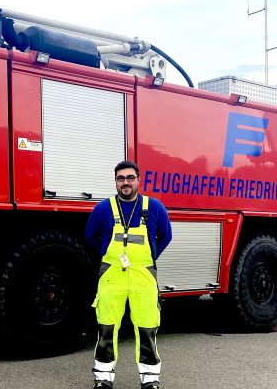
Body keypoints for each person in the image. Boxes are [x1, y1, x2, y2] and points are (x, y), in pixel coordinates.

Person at [85, 160, 172, 389]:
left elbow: (166, 236)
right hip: (112, 276)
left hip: (143, 276)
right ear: (115, 181)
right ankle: (103, 379)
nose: (125, 182)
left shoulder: (154, 207)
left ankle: (150, 381)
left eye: (130, 178)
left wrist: (148, 259)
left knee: (147, 328)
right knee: (106, 328)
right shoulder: (103, 208)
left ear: (138, 180)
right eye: (120, 178)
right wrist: (108, 257)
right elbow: (90, 236)